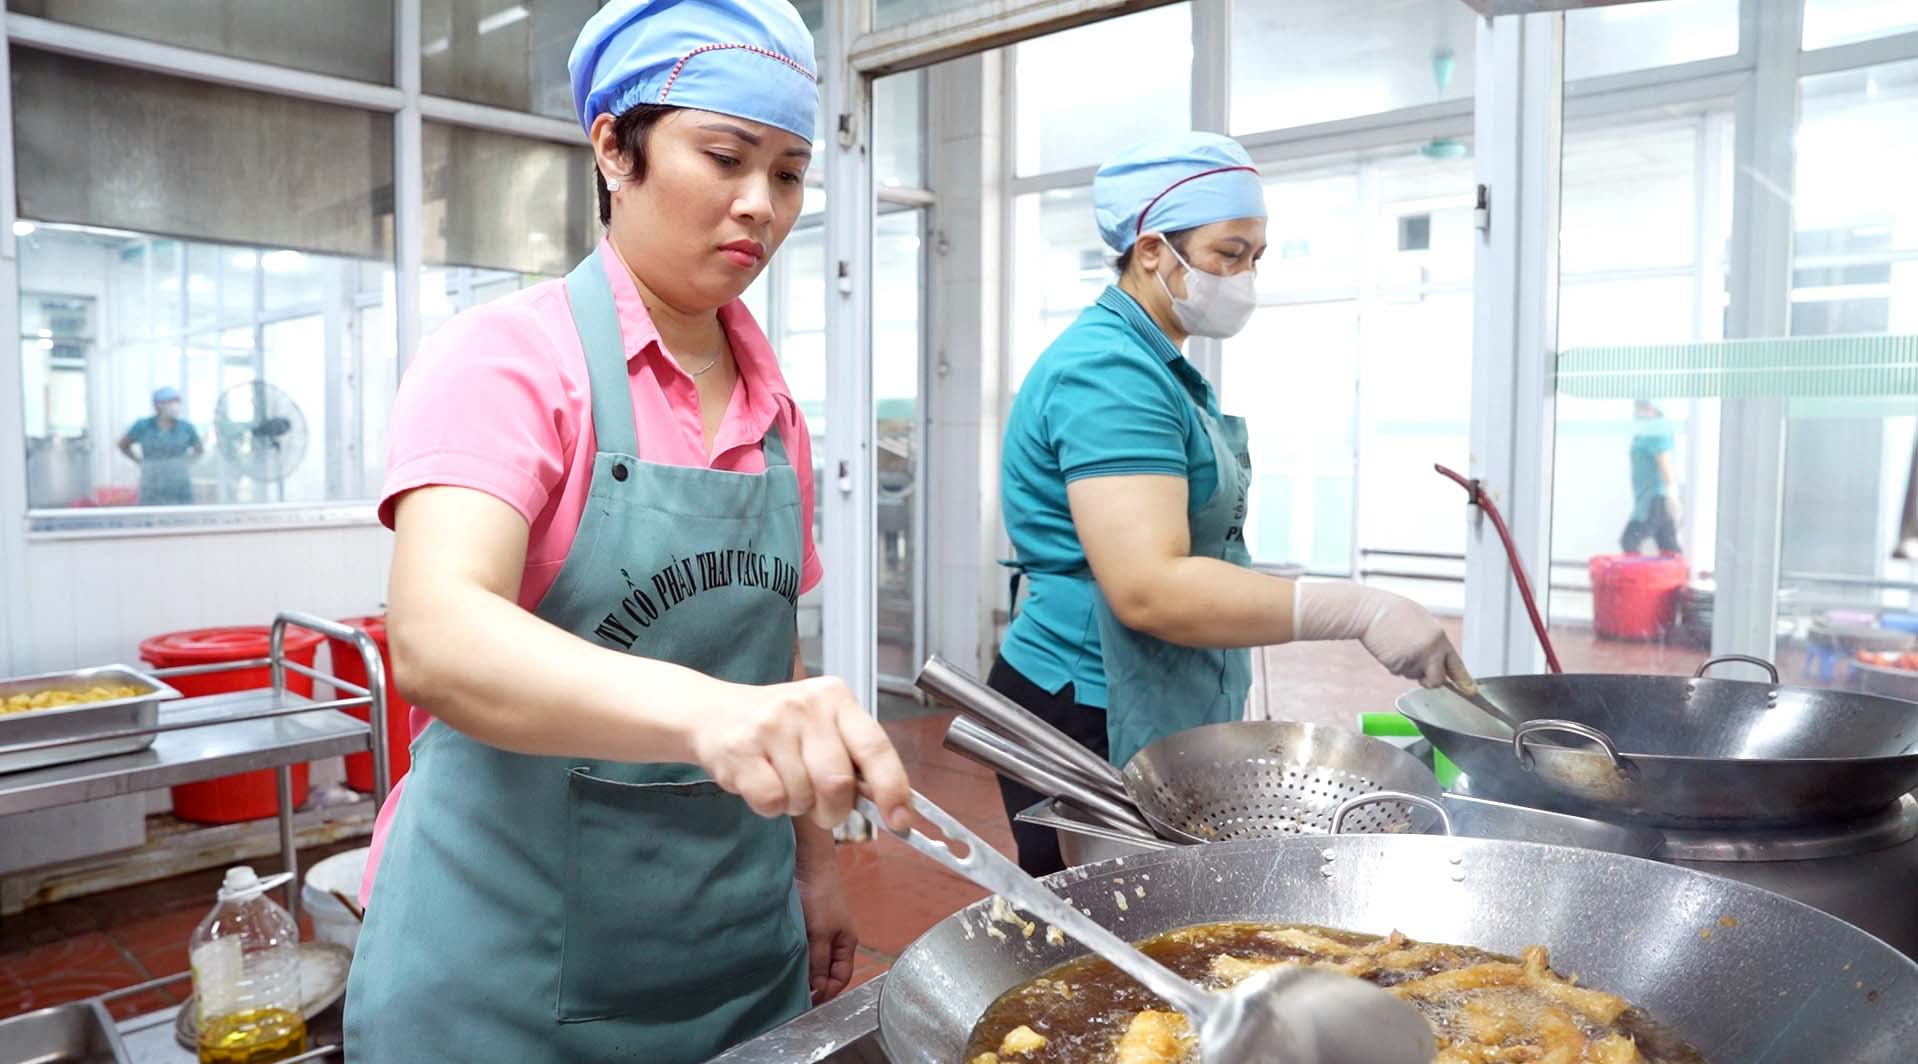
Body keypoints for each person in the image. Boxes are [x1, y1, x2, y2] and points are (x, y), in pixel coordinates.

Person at [342, 3, 912, 1060]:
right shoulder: (509, 361)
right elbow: (436, 633)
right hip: (505, 971)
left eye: (789, 174)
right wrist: (708, 716)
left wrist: (815, 863)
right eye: (726, 157)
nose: (761, 204)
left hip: (736, 957)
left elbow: (766, 650)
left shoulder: (775, 411)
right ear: (614, 148)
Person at [993, 132, 1470, 875]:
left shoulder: (1158, 364)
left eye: (1256, 256)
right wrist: (1360, 610)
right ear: (1152, 251)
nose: (1246, 276)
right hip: (1087, 702)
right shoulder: (1108, 372)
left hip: (1147, 688)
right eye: (1228, 253)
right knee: (1103, 920)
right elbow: (1149, 587)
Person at [117, 386, 201, 505]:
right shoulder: (143, 425)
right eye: (170, 401)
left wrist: (185, 464)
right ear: (158, 405)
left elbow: (199, 449)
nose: (175, 405)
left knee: (182, 512)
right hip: (152, 481)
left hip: (179, 481)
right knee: (150, 512)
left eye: (177, 401)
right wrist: (139, 462)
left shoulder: (186, 428)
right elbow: (123, 445)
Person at [1621, 399, 1680, 555]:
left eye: (1644, 407)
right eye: (1638, 407)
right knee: (1669, 546)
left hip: (1654, 499)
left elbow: (1664, 460)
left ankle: (1635, 571)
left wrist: (1672, 490)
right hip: (1650, 499)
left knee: (1630, 540)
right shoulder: (1644, 433)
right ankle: (1677, 569)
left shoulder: (1657, 430)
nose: (1639, 412)